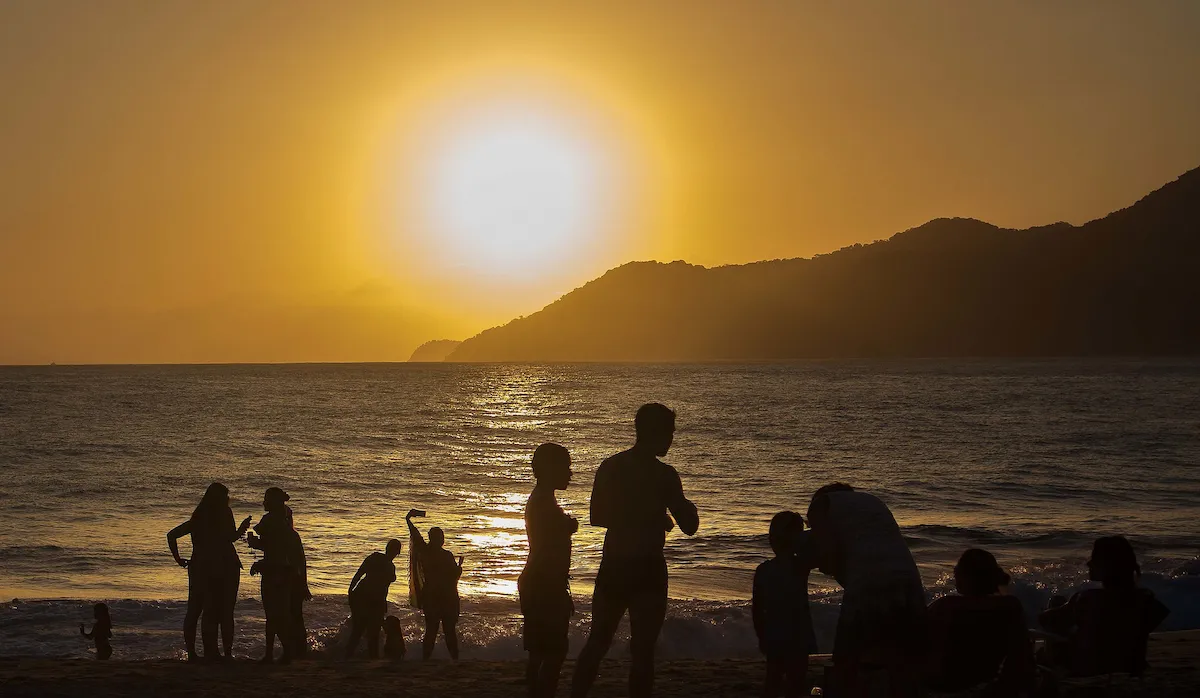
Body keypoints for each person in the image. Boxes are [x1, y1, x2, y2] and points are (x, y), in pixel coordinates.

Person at [570, 403, 700, 698]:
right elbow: (690, 525)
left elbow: (598, 515)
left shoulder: (611, 466)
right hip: (645, 568)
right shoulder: (665, 475)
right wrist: (658, 515)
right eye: (669, 432)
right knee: (642, 651)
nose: (672, 439)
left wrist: (651, 515)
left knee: (599, 642)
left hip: (616, 564)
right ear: (656, 432)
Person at [806, 483, 926, 698]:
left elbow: (829, 555)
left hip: (868, 583)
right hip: (909, 580)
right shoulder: (872, 502)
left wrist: (814, 562)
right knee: (902, 659)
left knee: (847, 657)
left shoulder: (821, 504)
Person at [1038, 536, 1169, 677]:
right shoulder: (1147, 600)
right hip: (1130, 664)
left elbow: (1044, 620)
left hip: (1086, 666)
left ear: (1108, 566)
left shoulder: (1087, 599)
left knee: (1056, 606)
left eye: (1094, 559)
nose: (1089, 563)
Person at [925, 549, 1034, 695]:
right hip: (988, 686)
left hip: (945, 689)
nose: (954, 572)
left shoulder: (946, 606)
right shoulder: (1010, 606)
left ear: (965, 576)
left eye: (957, 569)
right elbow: (1022, 656)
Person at [167, 482, 252, 661]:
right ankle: (225, 653)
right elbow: (229, 538)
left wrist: (178, 558)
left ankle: (197, 653)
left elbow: (171, 535)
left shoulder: (198, 517)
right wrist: (242, 529)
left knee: (199, 610)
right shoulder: (224, 513)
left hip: (200, 566)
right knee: (225, 612)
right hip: (225, 565)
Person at [519, 443, 579, 698]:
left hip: (539, 582)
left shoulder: (542, 499)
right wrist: (568, 525)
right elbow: (548, 548)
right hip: (543, 584)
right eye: (565, 467)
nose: (570, 473)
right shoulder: (543, 502)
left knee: (541, 651)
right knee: (554, 650)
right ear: (549, 469)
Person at [753, 511, 817, 698]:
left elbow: (757, 609)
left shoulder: (766, 570)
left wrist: (761, 635)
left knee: (775, 680)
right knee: (793, 683)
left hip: (778, 634)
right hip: (795, 633)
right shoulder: (800, 565)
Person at [247, 486, 299, 663]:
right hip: (285, 570)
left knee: (272, 614)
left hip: (273, 570)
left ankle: (281, 652)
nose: (264, 501)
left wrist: (255, 546)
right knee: (280, 613)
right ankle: (278, 652)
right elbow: (278, 546)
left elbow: (271, 547)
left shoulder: (269, 520)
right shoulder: (285, 518)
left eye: (266, 498)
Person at [406, 509, 465, 659]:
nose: (442, 540)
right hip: (446, 597)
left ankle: (426, 659)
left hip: (432, 596)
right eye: (441, 537)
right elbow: (454, 576)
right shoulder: (446, 556)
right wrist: (459, 568)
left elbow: (416, 536)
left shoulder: (425, 552)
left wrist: (409, 520)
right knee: (448, 630)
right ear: (439, 539)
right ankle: (454, 659)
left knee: (432, 630)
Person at [346, 539, 403, 658]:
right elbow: (382, 586)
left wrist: (351, 591)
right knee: (369, 632)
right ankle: (368, 658)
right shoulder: (388, 566)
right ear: (397, 552)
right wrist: (351, 592)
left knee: (360, 631)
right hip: (369, 599)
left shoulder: (375, 558)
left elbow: (359, 574)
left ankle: (350, 657)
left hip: (363, 596)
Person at [285, 506, 313, 657]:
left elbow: (300, 562)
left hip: (292, 581)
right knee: (294, 615)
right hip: (294, 580)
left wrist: (303, 584)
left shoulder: (291, 536)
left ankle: (298, 649)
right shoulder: (291, 535)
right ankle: (298, 649)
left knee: (294, 615)